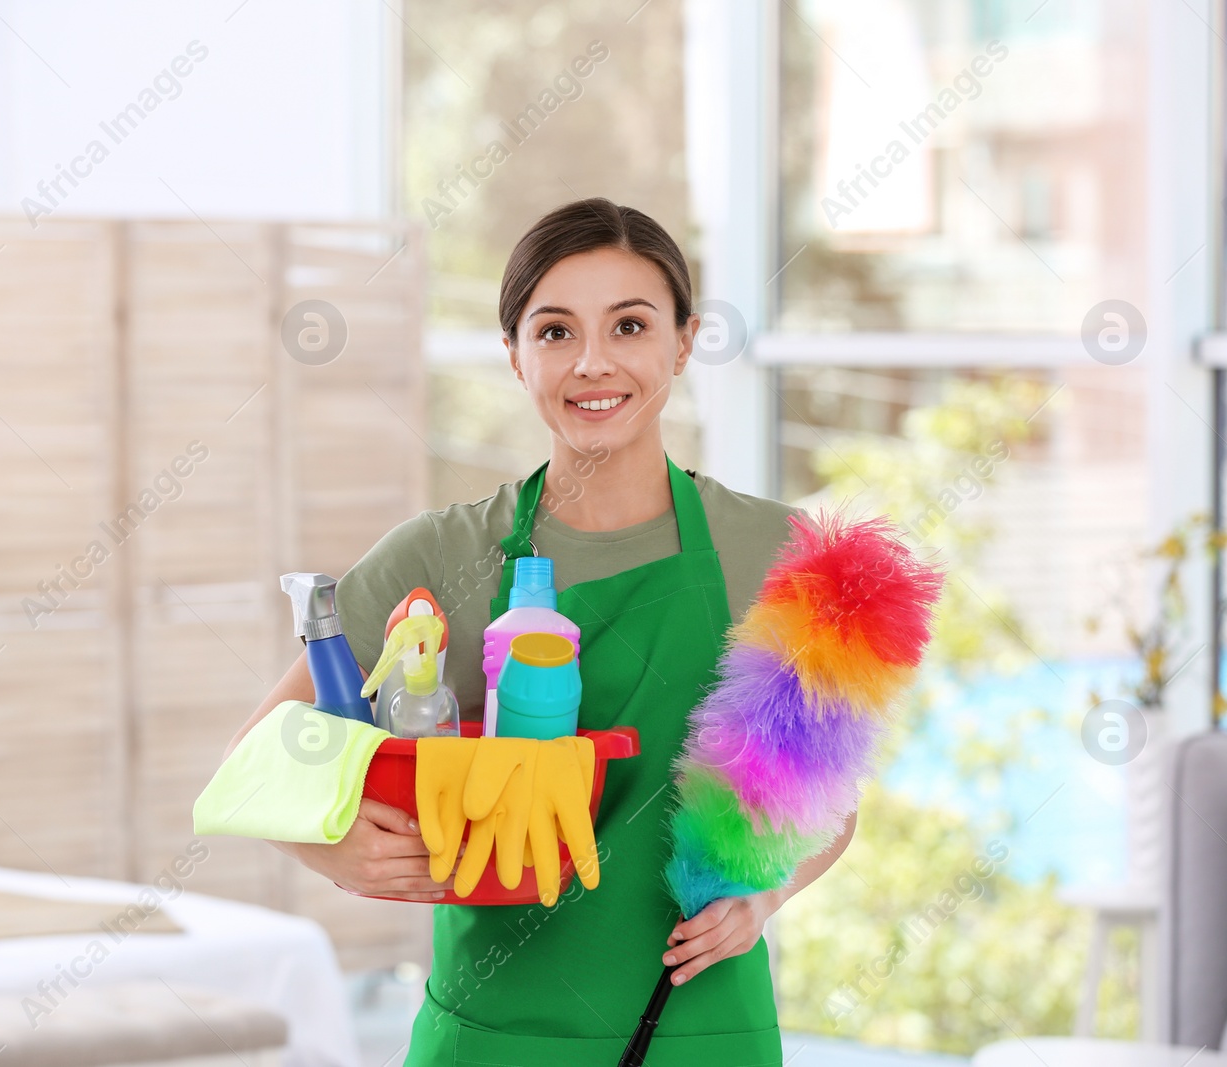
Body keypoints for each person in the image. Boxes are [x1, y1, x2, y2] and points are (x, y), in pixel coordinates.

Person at [226, 198, 854, 1065]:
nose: (593, 363)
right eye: (555, 332)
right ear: (515, 357)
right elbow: (263, 754)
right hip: (493, 1035)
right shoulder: (441, 553)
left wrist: (766, 895)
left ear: (683, 340)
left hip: (702, 1028)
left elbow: (828, 800)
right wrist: (327, 843)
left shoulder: (780, 554)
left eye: (629, 325)